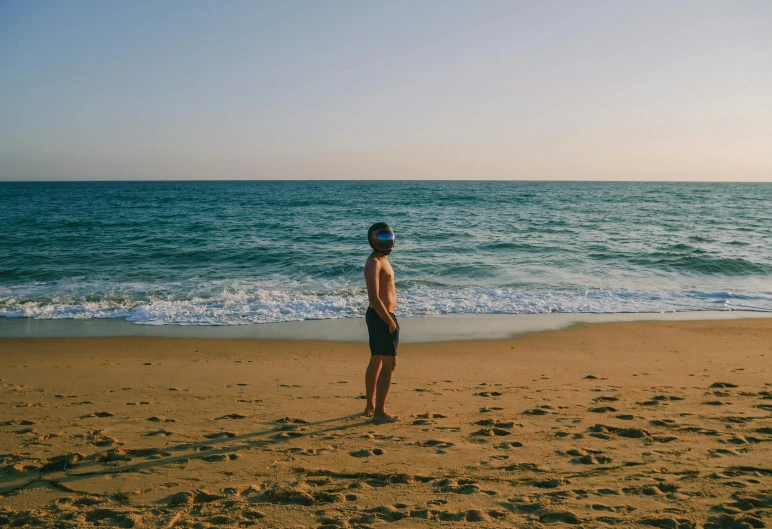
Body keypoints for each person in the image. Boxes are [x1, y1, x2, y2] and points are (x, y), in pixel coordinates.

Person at [363, 222, 401, 424]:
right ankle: (379, 412)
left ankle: (370, 407)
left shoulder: (382, 259)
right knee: (389, 364)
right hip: (381, 317)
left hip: (382, 317)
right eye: (381, 239)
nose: (386, 243)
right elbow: (374, 298)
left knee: (377, 360)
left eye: (388, 239)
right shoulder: (374, 263)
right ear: (373, 241)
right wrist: (390, 321)